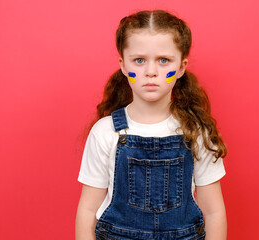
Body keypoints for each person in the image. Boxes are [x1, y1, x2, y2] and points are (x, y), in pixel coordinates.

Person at [75, 10, 227, 240]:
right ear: (123, 65)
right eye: (139, 60)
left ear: (182, 67)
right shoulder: (105, 132)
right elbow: (87, 210)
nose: (151, 72)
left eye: (164, 60)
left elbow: (214, 212)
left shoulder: (195, 132)